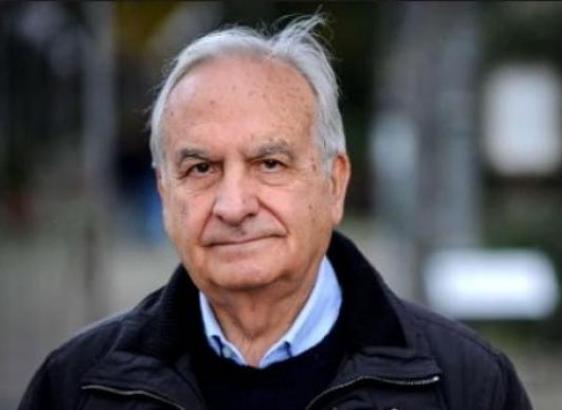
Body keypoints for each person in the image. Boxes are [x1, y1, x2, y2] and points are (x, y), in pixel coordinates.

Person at [19, 15, 532, 410]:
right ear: (164, 191)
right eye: (201, 168)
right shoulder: (77, 387)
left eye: (269, 163)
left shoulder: (465, 386)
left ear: (335, 184)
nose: (234, 205)